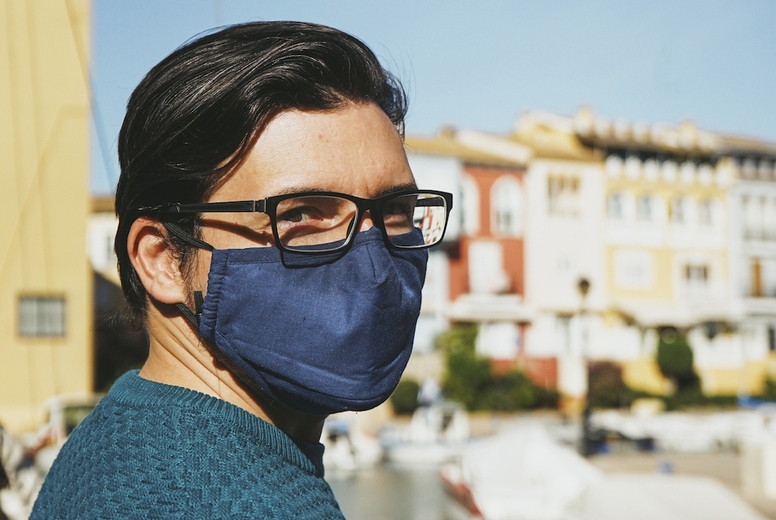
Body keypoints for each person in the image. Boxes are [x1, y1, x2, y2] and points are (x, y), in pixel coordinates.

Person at [31, 21, 452, 519]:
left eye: (396, 209)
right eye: (301, 214)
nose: (375, 260)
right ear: (162, 259)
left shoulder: (112, 441)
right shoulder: (254, 505)